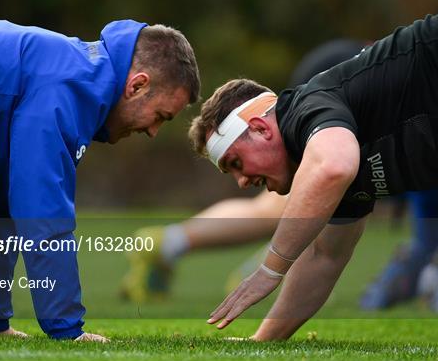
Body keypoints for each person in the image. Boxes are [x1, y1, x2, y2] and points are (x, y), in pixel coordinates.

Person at [0, 15, 200, 341]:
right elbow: (42, 210)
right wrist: (67, 330)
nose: (154, 132)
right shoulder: (69, 85)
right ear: (137, 85)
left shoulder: (73, 74)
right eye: (160, 116)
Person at [188, 12, 438, 340]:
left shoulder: (303, 110)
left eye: (235, 163)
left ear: (260, 128)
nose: (242, 181)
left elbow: (334, 166)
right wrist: (262, 341)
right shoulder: (323, 154)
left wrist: (271, 267)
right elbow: (325, 257)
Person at [120, 39, 366, 303]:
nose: (242, 182)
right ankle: (174, 243)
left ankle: (173, 242)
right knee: (287, 205)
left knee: (294, 203)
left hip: (326, 75)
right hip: (327, 81)